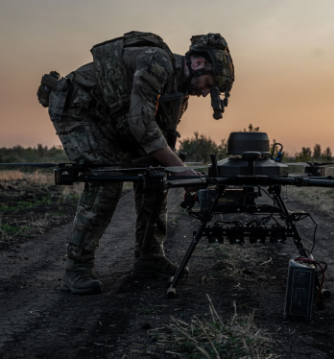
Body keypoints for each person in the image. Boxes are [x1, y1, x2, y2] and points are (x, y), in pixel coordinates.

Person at [37, 31, 234, 294]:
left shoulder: (179, 93)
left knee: (155, 176)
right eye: (209, 84)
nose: (205, 92)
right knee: (105, 180)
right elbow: (142, 126)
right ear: (198, 63)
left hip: (116, 121)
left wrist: (178, 175)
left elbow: (163, 138)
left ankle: (149, 258)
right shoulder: (157, 62)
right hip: (79, 109)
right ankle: (77, 268)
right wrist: (183, 172)